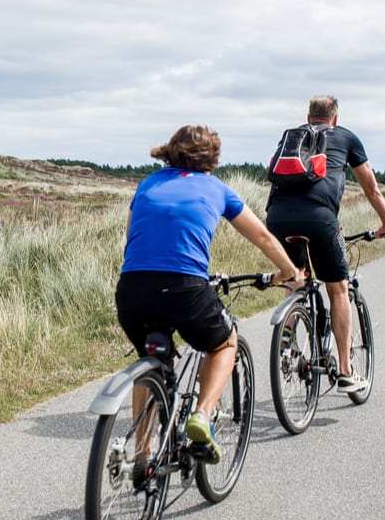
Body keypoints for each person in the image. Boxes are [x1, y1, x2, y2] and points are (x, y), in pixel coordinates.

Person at [116, 125, 301, 463]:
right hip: (185, 289)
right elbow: (262, 236)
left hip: (132, 289)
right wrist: (290, 273)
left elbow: (131, 240)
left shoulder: (147, 185)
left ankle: (143, 454)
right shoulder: (217, 188)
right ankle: (201, 415)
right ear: (212, 160)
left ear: (171, 151)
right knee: (225, 342)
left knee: (150, 359)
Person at [265, 95, 385, 393]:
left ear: (308, 116)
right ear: (334, 119)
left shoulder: (293, 137)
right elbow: (372, 189)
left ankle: (288, 328)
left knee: (296, 275)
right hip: (320, 219)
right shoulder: (346, 137)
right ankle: (347, 371)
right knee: (338, 288)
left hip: (277, 217)